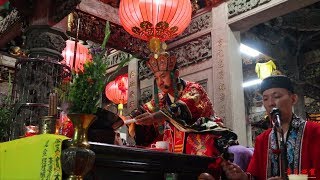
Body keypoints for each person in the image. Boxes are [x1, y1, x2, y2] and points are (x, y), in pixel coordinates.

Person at [221, 75, 320, 179]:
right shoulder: (262, 140)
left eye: (277, 97)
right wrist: (244, 177)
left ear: (293, 99)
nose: (271, 103)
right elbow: (256, 176)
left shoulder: (314, 131)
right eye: (265, 99)